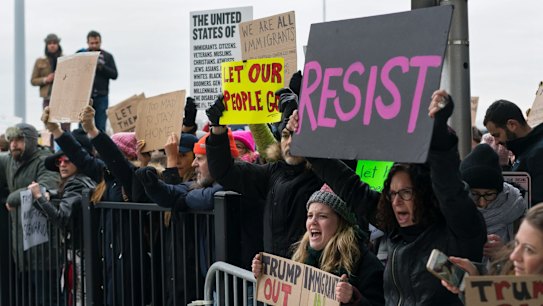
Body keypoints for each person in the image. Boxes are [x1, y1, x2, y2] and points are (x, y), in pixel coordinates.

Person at [288, 90, 487, 305]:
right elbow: (349, 186)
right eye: (392, 194)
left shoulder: (458, 231)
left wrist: (438, 134)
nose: (396, 202)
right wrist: (307, 143)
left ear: (426, 194)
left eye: (406, 193)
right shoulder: (394, 228)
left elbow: (450, 189)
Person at [205, 94, 324, 259]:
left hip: (314, 277)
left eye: (297, 135)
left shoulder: (325, 173)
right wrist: (217, 130)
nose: (290, 142)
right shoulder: (272, 173)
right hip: (276, 277)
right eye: (285, 135)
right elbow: (224, 171)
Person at [252, 184, 385, 305]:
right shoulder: (300, 256)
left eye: (322, 216)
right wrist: (265, 273)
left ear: (341, 223)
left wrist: (353, 298)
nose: (313, 222)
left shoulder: (366, 263)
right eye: (310, 216)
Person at [28, 132, 99, 305]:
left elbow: (62, 218)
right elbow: (66, 198)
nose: (62, 164)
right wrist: (50, 195)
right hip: (84, 251)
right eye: (59, 161)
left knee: (79, 297)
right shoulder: (85, 180)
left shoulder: (76, 183)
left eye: (67, 160)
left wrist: (39, 197)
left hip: (80, 252)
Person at [0, 123, 60, 305]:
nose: (13, 145)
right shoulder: (10, 159)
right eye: (11, 140)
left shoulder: (44, 160)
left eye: (19, 140)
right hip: (20, 248)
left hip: (43, 248)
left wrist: (12, 197)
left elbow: (44, 188)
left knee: (47, 298)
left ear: (31, 141)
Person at [442, 204, 543, 295]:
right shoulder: (508, 278)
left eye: (528, 249)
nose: (513, 256)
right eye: (516, 243)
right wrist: (476, 281)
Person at [459, 143, 527, 260]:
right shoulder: (455, 212)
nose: (482, 203)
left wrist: (505, 252)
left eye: (489, 194)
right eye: (474, 194)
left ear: (499, 192)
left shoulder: (515, 208)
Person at [483, 99, 543, 205]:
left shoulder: (538, 154)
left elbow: (537, 205)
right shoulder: (524, 152)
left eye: (497, 135)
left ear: (512, 124)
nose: (496, 142)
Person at [79, 30, 118, 131]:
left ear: (100, 42)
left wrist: (101, 66)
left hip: (101, 96)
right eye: (92, 43)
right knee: (82, 126)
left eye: (97, 43)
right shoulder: (81, 54)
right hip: (85, 96)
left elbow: (114, 75)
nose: (94, 45)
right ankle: (84, 146)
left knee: (100, 127)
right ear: (87, 43)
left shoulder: (107, 56)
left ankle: (99, 147)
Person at [31, 33, 70, 132]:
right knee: (50, 127)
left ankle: (66, 147)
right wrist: (46, 79)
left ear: (58, 44)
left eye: (54, 43)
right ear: (46, 45)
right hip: (48, 98)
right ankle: (51, 147)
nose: (52, 45)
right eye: (50, 43)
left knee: (65, 127)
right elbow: (33, 80)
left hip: (64, 97)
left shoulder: (67, 59)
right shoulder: (40, 61)